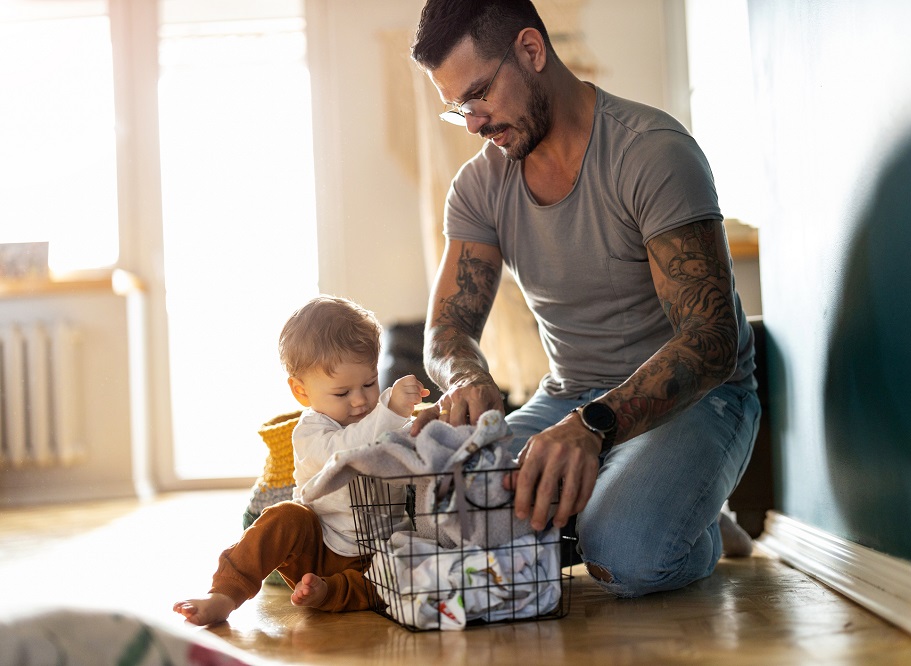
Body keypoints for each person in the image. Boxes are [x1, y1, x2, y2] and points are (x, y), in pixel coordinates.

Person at [409, 0, 760, 598]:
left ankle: (692, 523)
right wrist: (464, 374)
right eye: (457, 108)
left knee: (624, 552)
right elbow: (447, 331)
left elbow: (711, 342)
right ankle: (655, 496)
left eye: (480, 95)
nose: (472, 123)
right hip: (569, 397)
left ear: (531, 50)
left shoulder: (651, 153)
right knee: (448, 517)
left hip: (699, 399)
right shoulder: (479, 186)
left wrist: (593, 427)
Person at [173, 295, 429, 625]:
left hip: (383, 551)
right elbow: (346, 451)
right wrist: (391, 413)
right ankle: (224, 594)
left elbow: (407, 447)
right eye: (342, 392)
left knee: (408, 571)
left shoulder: (380, 411)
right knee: (285, 517)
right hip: (321, 548)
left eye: (368, 383)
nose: (361, 400)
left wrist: (424, 426)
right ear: (301, 392)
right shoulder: (310, 431)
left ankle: (330, 594)